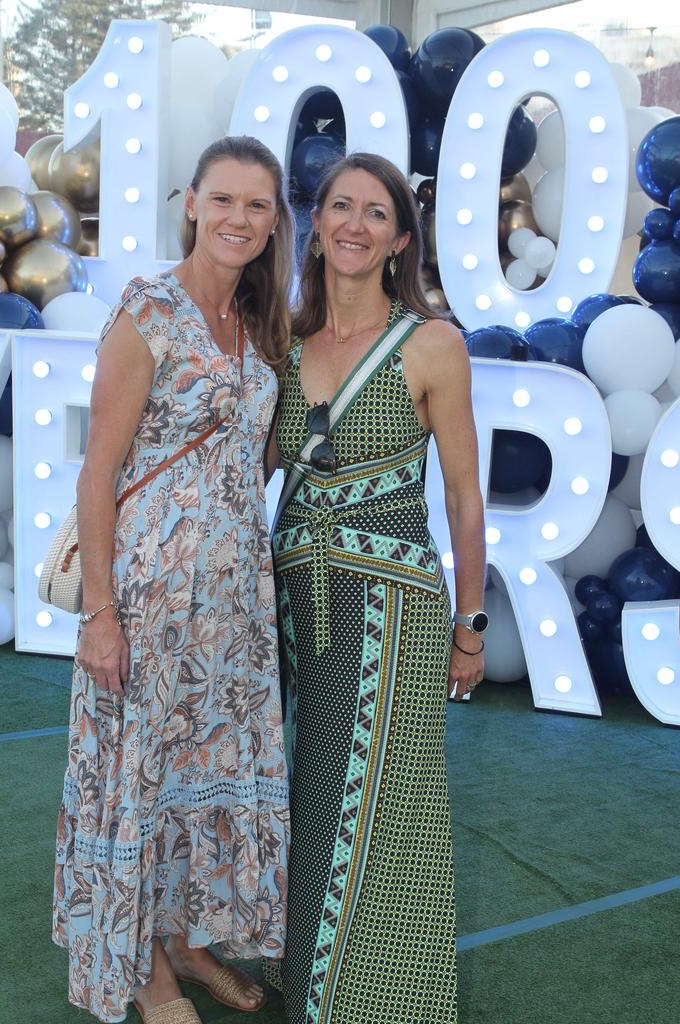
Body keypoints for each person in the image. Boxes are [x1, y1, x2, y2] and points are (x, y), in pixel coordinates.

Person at [52, 136, 294, 1024]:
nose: (239, 218)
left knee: (206, 768)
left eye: (257, 205)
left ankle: (191, 940)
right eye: (223, 199)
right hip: (149, 596)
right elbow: (97, 471)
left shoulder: (262, 323)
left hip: (234, 599)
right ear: (191, 203)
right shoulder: (149, 311)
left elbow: (252, 457)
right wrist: (101, 615)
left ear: (274, 224)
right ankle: (149, 970)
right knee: (143, 776)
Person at [270, 152, 486, 1023]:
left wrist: (469, 629)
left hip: (394, 606)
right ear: (316, 225)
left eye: (376, 213)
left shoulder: (433, 343)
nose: (355, 224)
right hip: (291, 598)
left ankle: (384, 999)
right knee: (302, 789)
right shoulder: (280, 339)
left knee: (385, 804)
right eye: (339, 207)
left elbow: (468, 500)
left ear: (400, 238)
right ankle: (311, 979)